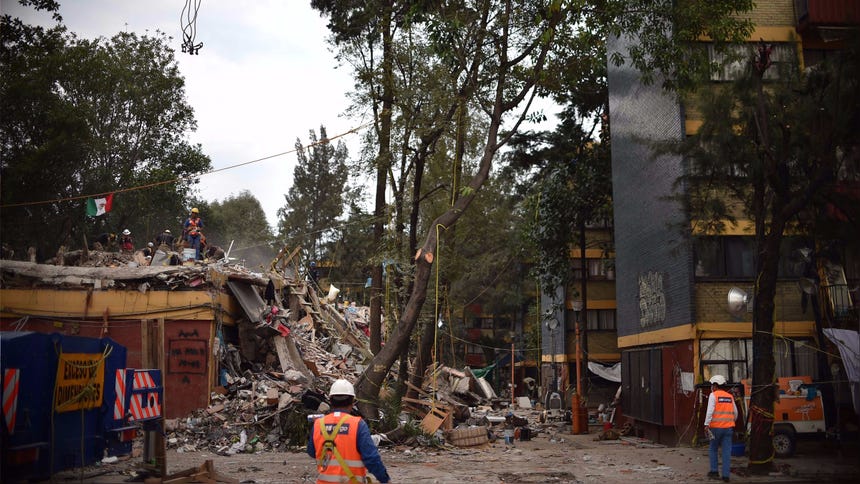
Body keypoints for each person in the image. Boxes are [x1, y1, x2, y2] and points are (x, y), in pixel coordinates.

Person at [307, 379, 390, 483]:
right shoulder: (358, 424)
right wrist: (385, 479)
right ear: (352, 401)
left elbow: (312, 452)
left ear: (331, 400)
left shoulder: (318, 424)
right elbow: (371, 459)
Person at [704, 374, 737, 482]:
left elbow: (710, 412)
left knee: (713, 449)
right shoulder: (730, 397)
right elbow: (735, 413)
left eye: (712, 385)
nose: (712, 387)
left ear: (715, 385)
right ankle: (726, 476)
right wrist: (730, 421)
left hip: (716, 428)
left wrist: (706, 424)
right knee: (726, 451)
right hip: (728, 428)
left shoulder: (713, 395)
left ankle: (714, 471)